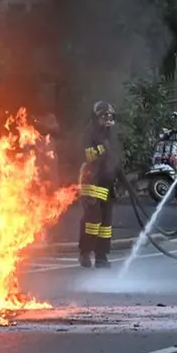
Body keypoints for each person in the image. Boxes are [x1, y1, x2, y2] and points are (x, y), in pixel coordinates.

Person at [78, 101, 121, 268]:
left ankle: (101, 256)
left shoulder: (110, 135)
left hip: (107, 183)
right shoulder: (89, 134)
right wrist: (103, 148)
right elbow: (88, 156)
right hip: (92, 183)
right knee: (92, 221)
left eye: (110, 116)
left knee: (105, 224)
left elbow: (115, 158)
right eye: (105, 116)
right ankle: (85, 253)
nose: (108, 119)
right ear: (97, 118)